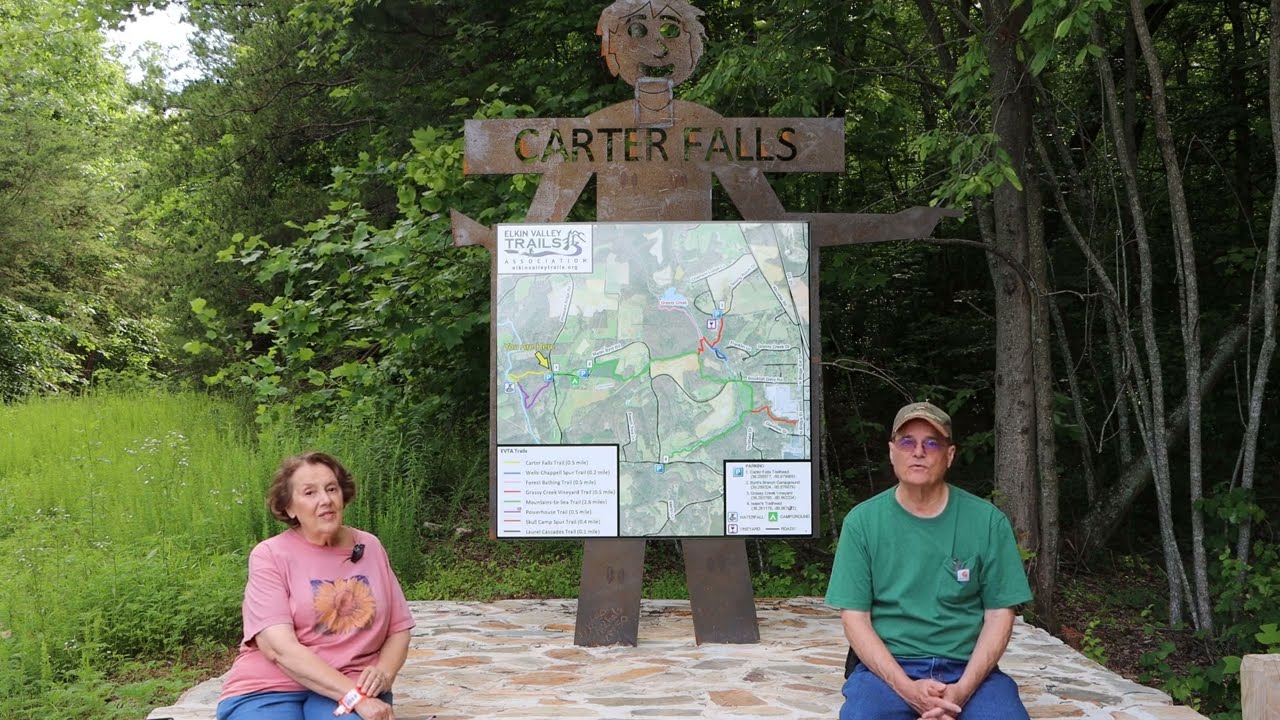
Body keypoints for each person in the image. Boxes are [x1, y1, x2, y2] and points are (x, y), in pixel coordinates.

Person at [826, 402, 1032, 720]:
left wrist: (961, 690)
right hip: (888, 671)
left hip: (968, 668)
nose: (918, 451)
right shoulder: (862, 523)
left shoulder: (988, 522)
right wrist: (908, 691)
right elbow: (855, 619)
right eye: (907, 441)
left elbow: (999, 615)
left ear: (949, 455)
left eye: (932, 442)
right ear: (892, 452)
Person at [216, 452, 415, 720]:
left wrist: (384, 673)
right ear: (289, 508)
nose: (326, 500)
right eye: (310, 493)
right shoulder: (270, 555)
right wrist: (355, 697)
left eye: (331, 489)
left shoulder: (370, 547)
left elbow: (398, 628)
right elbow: (278, 648)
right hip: (269, 688)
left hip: (352, 681)